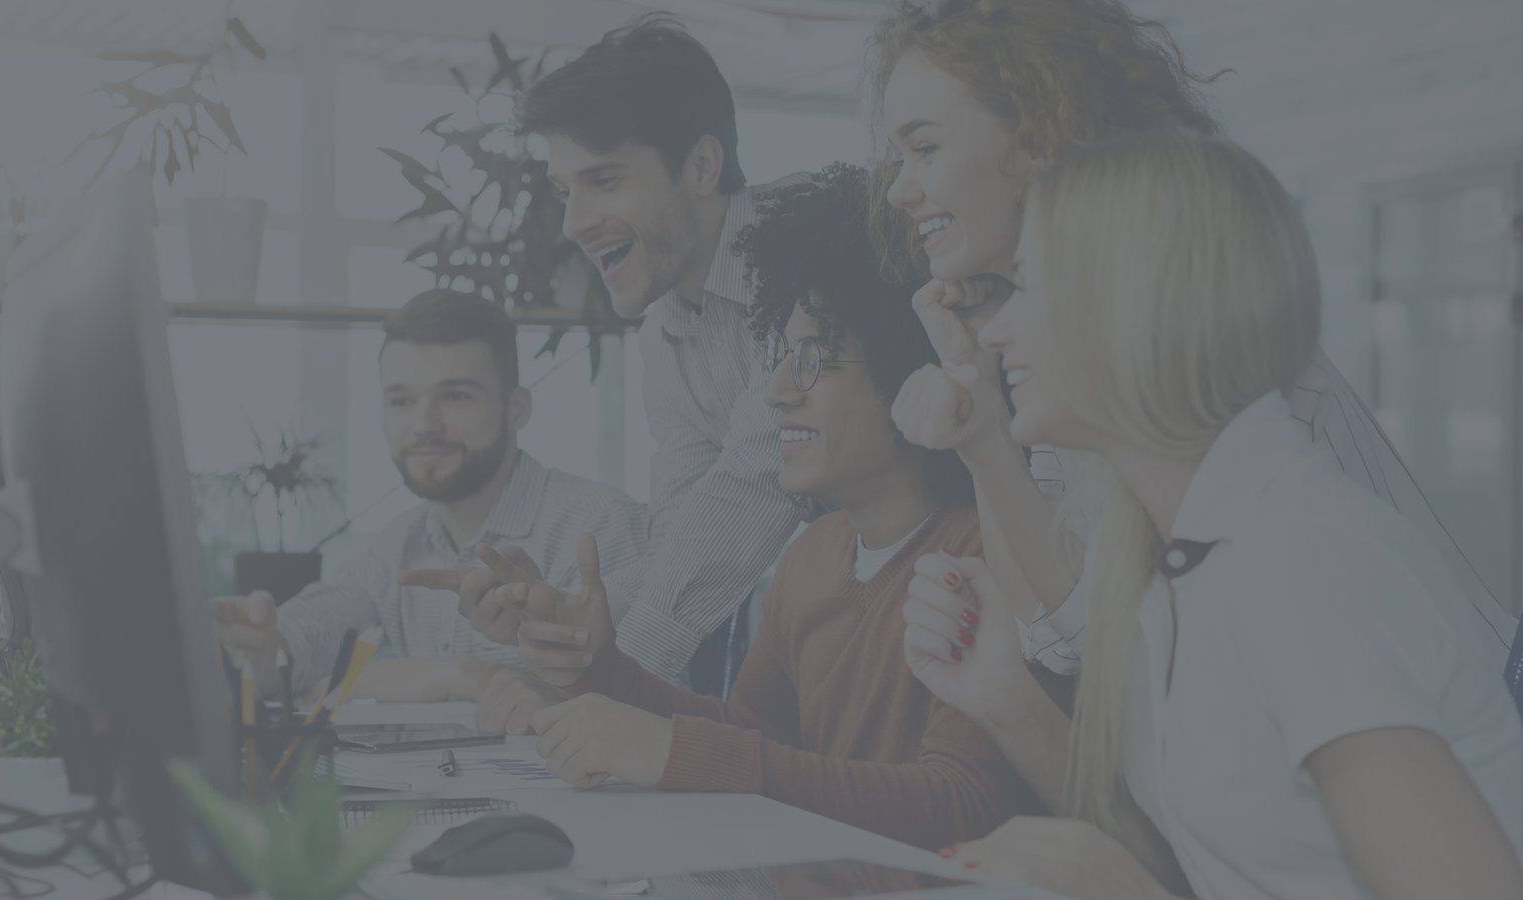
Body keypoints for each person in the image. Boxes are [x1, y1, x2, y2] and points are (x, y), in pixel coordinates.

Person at [927, 130, 1523, 900]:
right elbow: (1211, 866)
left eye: (1030, 285)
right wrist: (1004, 696)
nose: (996, 329)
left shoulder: (1304, 560)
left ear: (1137, 304)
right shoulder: (1172, 557)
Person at [477, 165, 1045, 851]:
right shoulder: (813, 558)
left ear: (906, 365)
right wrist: (600, 669)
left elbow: (962, 803)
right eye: (780, 355)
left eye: (813, 358)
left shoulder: (988, 552)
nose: (776, 390)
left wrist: (676, 752)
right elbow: (755, 740)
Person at [494, 14, 812, 687]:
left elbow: (752, 491)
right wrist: (580, 627)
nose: (574, 224)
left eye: (604, 181)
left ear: (700, 166)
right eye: (566, 191)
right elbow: (684, 531)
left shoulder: (805, 249)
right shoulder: (666, 330)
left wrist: (610, 677)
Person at [211, 290, 647, 701]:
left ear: (517, 409)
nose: (424, 425)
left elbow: (641, 698)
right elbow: (310, 633)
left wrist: (448, 678)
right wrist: (260, 646)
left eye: (455, 396)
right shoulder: (396, 546)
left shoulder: (601, 526)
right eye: (401, 401)